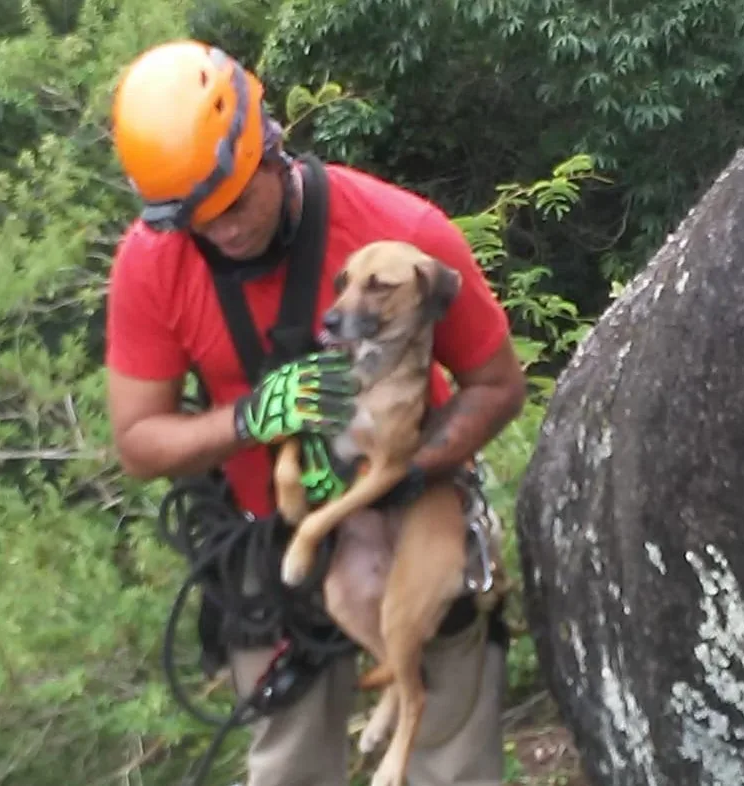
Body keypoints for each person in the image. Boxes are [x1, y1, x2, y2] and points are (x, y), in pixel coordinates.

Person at [104, 38, 527, 786]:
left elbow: (497, 386)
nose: (223, 229)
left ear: (269, 150)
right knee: (289, 767)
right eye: (197, 219)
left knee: (452, 761)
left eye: (234, 201)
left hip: (412, 515)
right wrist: (249, 419)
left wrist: (409, 473)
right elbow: (138, 443)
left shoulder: (404, 237)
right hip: (269, 540)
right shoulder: (153, 263)